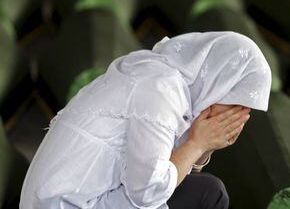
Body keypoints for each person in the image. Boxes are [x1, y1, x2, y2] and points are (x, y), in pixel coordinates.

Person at [20, 31, 272, 208]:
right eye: (237, 103)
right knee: (210, 194)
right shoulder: (161, 90)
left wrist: (203, 147)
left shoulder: (166, 80)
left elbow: (168, 168)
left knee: (201, 188)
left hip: (68, 197)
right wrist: (196, 144)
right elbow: (147, 192)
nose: (239, 115)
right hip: (66, 204)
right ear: (220, 82)